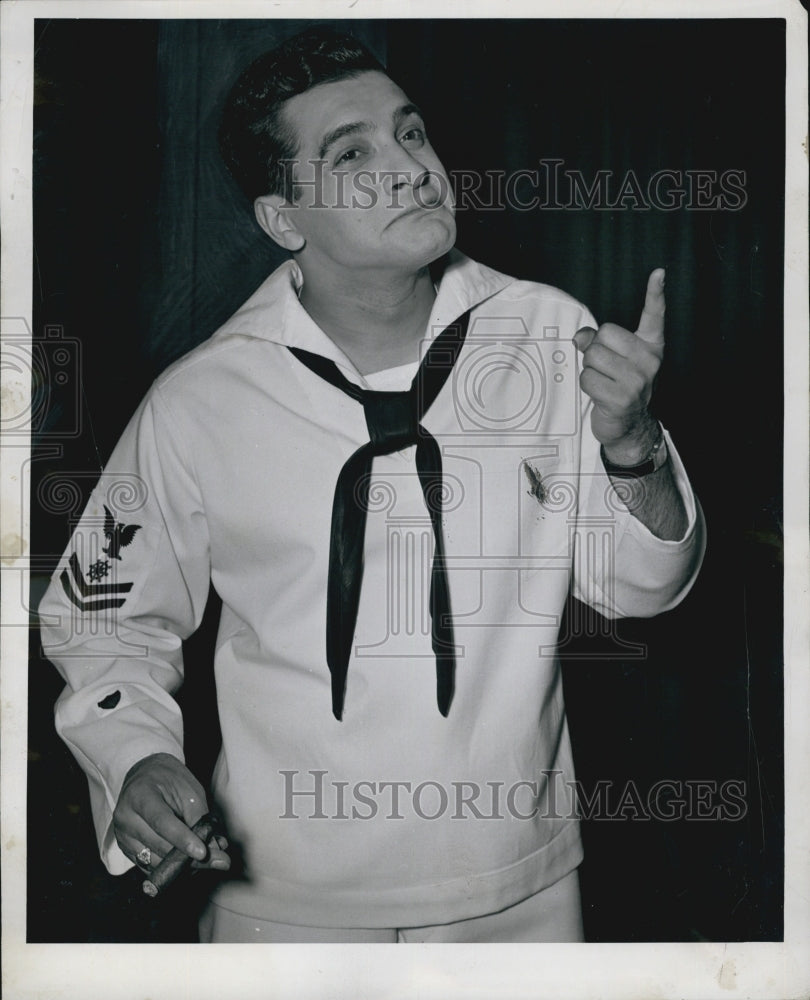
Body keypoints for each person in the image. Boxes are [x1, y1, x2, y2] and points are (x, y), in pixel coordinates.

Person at [39, 27, 705, 943]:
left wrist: (634, 444)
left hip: (521, 893)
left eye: (413, 133)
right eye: (353, 152)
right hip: (280, 906)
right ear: (283, 219)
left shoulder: (554, 335)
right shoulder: (199, 401)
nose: (412, 167)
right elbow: (103, 616)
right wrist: (138, 758)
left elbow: (641, 588)